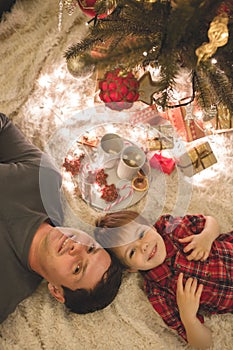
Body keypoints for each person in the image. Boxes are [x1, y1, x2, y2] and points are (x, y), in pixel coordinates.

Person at [0, 113, 122, 324]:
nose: (77, 249)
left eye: (77, 268)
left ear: (57, 292)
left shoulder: (4, 293)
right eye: (91, 248)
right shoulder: (44, 179)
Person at [94, 210, 233, 350]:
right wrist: (189, 317)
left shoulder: (171, 228)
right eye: (132, 252)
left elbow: (210, 221)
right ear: (131, 268)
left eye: (141, 234)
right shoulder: (158, 292)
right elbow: (203, 344)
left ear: (151, 226)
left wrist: (206, 236)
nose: (143, 246)